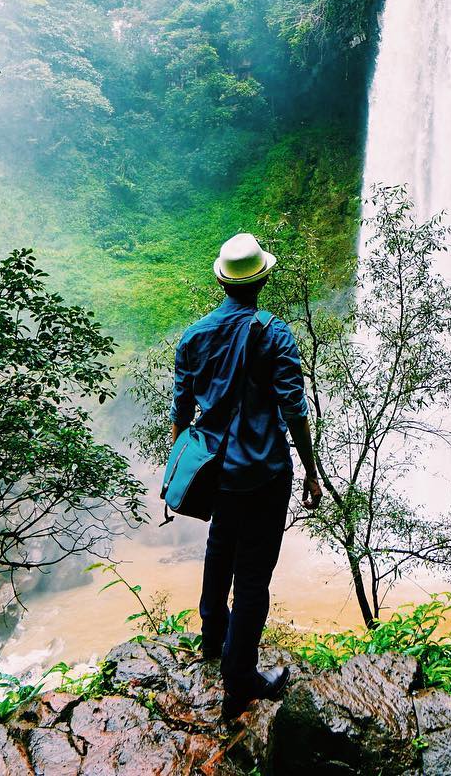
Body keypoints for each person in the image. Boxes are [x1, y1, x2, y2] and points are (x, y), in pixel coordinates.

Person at [170, 232, 323, 720]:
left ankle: (212, 637)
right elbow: (294, 411)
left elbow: (181, 411)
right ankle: (241, 681)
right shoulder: (275, 334)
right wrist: (312, 473)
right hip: (264, 472)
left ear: (222, 281)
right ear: (263, 280)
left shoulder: (193, 336)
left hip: (218, 469)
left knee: (219, 548)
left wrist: (184, 459)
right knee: (253, 576)